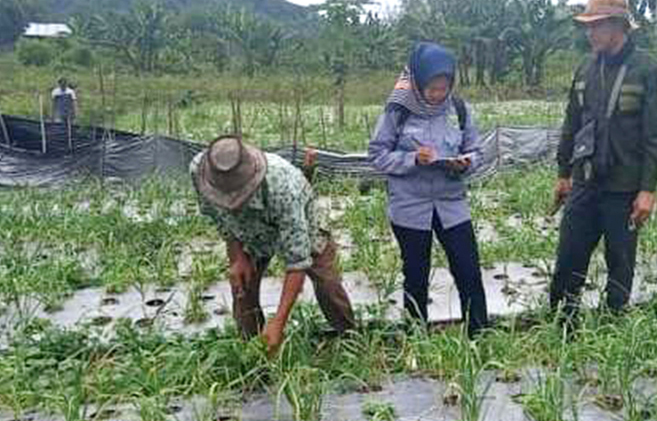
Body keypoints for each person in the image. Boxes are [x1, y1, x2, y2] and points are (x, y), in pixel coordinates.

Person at [549, 0, 657, 324]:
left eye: (596, 27)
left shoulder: (650, 70)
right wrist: (564, 173)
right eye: (587, 27)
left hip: (625, 188)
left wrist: (648, 190)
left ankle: (613, 326)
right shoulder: (586, 67)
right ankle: (564, 325)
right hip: (586, 182)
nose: (589, 34)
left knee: (620, 262)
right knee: (568, 259)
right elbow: (572, 122)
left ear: (618, 26)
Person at [191, 136, 356, 355]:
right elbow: (218, 217)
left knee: (327, 283)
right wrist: (238, 256)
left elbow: (297, 262)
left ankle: (350, 338)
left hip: (303, 220)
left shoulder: (283, 188)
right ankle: (253, 350)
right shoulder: (200, 171)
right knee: (242, 287)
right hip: (247, 232)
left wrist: (279, 321)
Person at [369, 42, 488, 338]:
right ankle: (416, 335)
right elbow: (378, 154)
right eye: (431, 88)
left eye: (443, 87)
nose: (438, 94)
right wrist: (412, 159)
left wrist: (465, 162)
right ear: (418, 83)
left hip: (451, 204)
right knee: (416, 274)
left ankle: (479, 334)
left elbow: (476, 150)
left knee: (468, 269)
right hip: (410, 207)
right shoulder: (398, 111)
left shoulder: (458, 109)